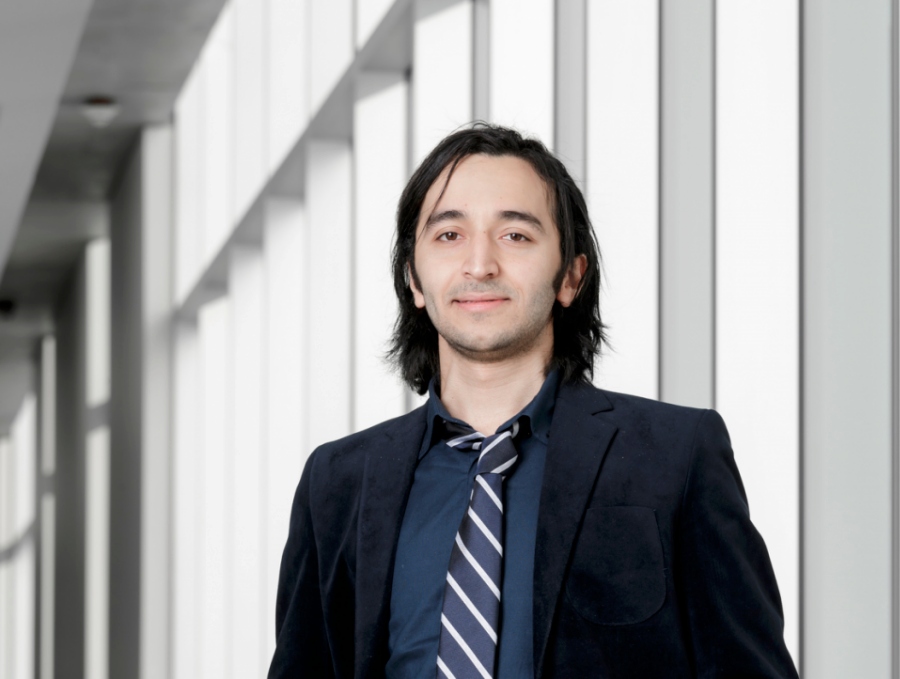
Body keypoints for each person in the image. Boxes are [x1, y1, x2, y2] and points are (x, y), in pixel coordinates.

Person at [268, 124, 798, 678]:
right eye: (449, 235)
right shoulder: (338, 482)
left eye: (515, 236)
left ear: (570, 275)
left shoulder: (676, 456)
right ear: (414, 281)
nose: (480, 265)